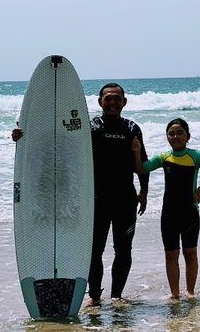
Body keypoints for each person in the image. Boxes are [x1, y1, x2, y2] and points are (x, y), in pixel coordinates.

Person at [12, 82, 149, 306]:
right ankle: (95, 296)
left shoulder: (132, 128)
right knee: (94, 251)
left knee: (123, 249)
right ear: (100, 102)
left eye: (117, 98)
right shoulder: (89, 127)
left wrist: (144, 191)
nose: (113, 102)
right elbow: (57, 139)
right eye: (108, 98)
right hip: (94, 200)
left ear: (124, 102)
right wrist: (24, 135)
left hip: (125, 198)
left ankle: (116, 295)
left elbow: (141, 160)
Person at [132, 118, 200, 299]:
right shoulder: (164, 157)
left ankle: (190, 292)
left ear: (187, 136)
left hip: (190, 212)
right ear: (167, 137)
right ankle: (174, 293)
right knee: (170, 254)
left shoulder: (195, 155)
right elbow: (141, 170)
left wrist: (199, 190)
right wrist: (136, 152)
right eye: (171, 133)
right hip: (169, 213)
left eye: (179, 133)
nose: (175, 136)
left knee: (190, 253)